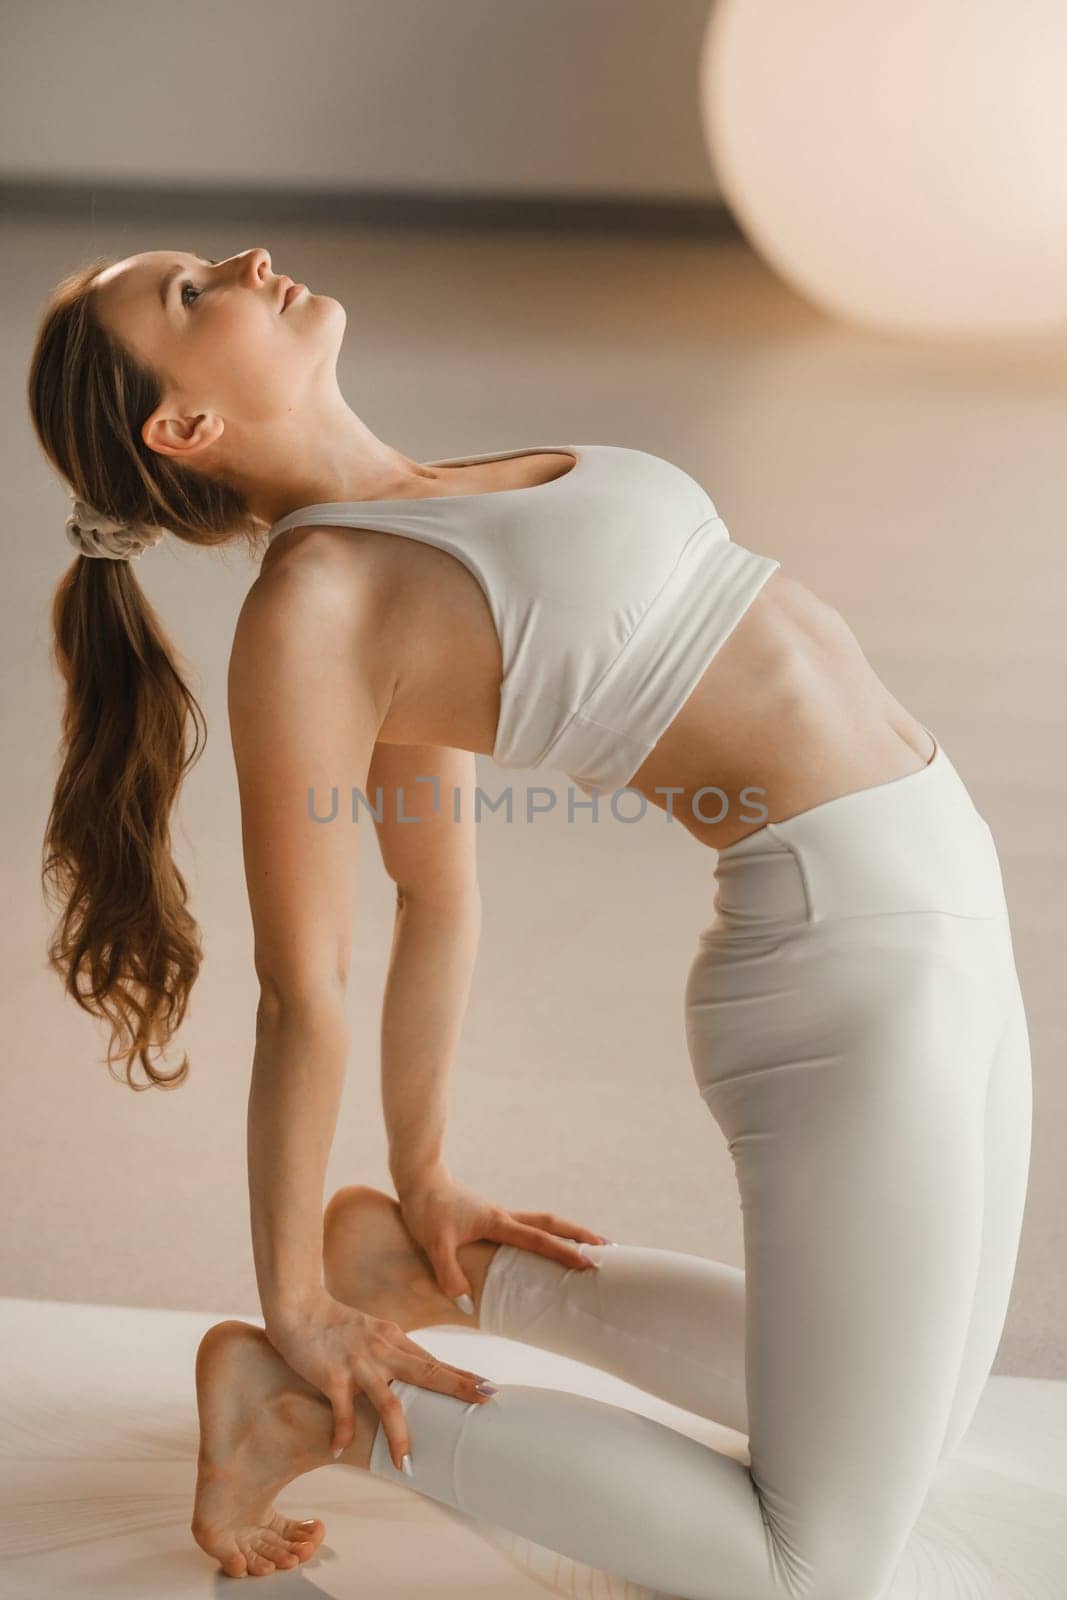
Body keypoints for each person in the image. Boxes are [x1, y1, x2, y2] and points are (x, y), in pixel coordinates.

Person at [27, 247, 1032, 1596]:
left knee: (933, 1425)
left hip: (949, 885)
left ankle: (416, 1263)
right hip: (842, 967)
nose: (247, 262)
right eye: (193, 294)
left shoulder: (437, 497)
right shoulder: (314, 608)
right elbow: (303, 985)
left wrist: (426, 1171)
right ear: (185, 427)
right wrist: (296, 1307)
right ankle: (285, 1400)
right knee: (819, 1563)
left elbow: (438, 892)